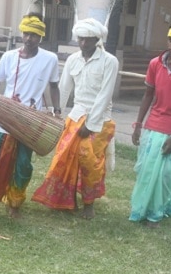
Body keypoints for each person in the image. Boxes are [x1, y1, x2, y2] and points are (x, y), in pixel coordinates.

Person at [0, 15, 60, 218]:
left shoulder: (50, 59)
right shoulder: (9, 56)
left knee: (23, 163)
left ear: (41, 37)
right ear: (21, 34)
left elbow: (54, 86)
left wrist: (57, 111)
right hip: (6, 116)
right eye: (26, 33)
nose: (29, 38)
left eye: (34, 35)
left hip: (30, 119)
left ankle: (14, 204)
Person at [31, 18, 118, 219]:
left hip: (99, 120)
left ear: (97, 39)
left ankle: (89, 204)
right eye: (80, 39)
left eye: (88, 40)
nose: (83, 44)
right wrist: (56, 114)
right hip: (75, 116)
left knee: (90, 163)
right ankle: (66, 199)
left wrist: (90, 124)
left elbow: (104, 96)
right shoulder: (73, 60)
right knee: (63, 157)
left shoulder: (110, 61)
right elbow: (63, 90)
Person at [128, 16, 171, 227]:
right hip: (153, 125)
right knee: (147, 171)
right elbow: (147, 95)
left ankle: (157, 212)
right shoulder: (155, 63)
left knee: (165, 175)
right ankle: (143, 210)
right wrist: (138, 125)